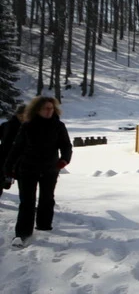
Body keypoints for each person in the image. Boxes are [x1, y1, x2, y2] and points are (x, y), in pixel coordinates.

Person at [3, 96, 72, 247]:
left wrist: (64, 160)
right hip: (27, 168)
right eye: (45, 108)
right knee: (27, 202)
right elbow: (17, 148)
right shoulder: (28, 126)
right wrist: (9, 168)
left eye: (51, 108)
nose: (49, 111)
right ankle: (22, 234)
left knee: (47, 198)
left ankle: (44, 225)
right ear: (37, 110)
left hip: (50, 169)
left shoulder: (58, 126)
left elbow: (66, 146)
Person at [0, 103, 26, 196]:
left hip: (20, 159)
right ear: (19, 114)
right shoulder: (8, 125)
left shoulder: (28, 127)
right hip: (6, 158)